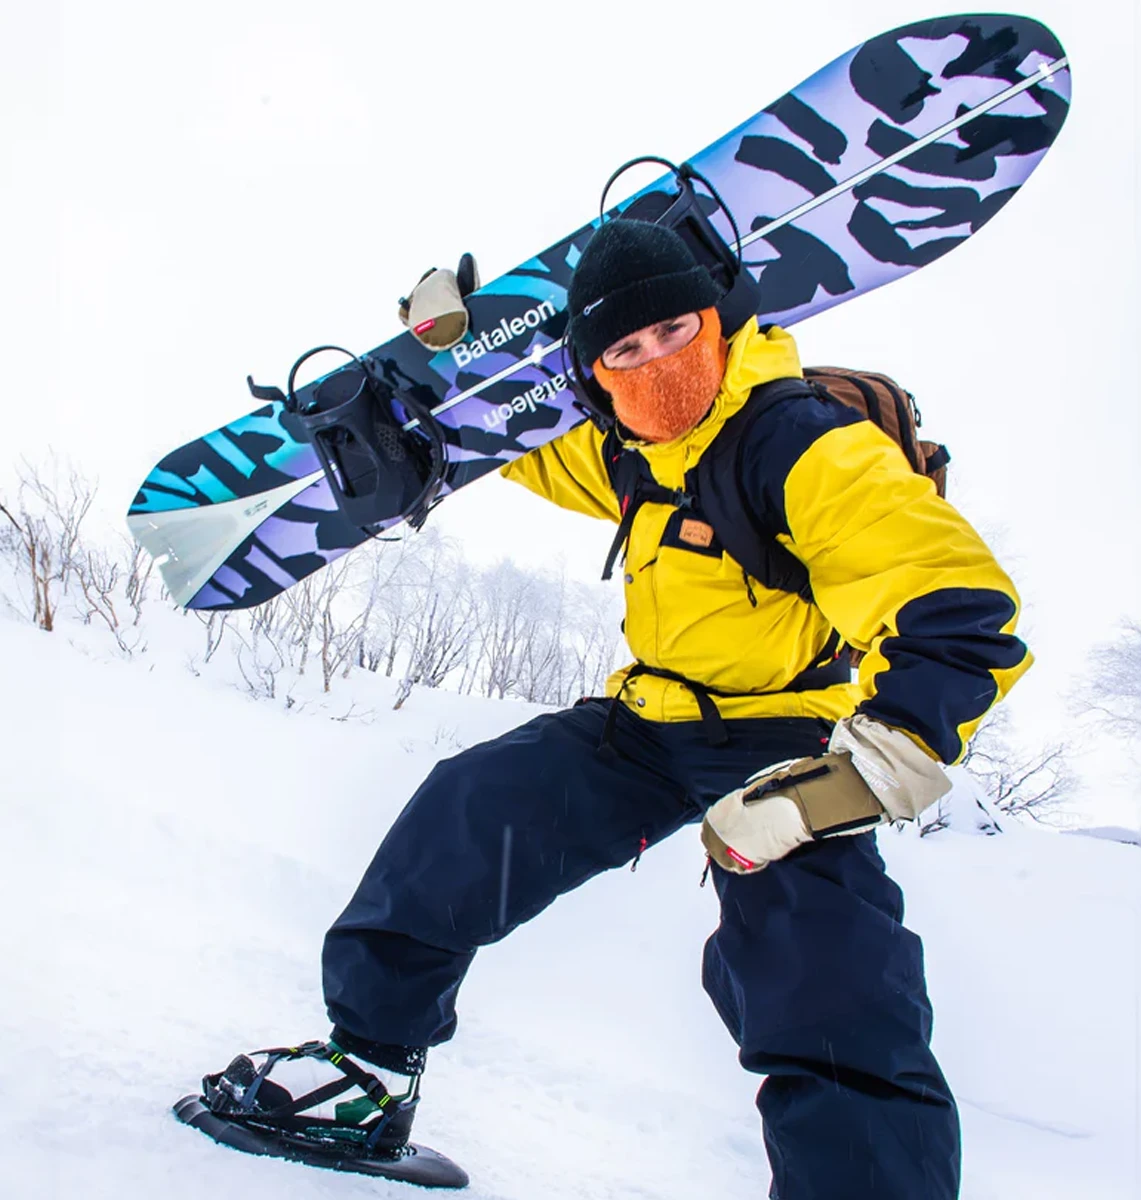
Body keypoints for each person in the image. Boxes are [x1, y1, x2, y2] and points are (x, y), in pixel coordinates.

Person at [198, 219, 1031, 1199]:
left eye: (674, 331)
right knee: (469, 811)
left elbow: (961, 613)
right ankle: (369, 1075)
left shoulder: (803, 446)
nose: (655, 365)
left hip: (784, 731)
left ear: (718, 322)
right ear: (596, 374)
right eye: (624, 351)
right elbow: (509, 445)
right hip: (646, 719)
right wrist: (447, 361)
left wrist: (847, 783)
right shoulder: (630, 446)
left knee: (823, 970)